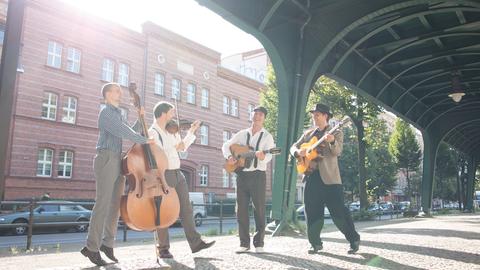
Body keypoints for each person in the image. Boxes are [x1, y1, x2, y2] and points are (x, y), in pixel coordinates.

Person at [81, 83, 154, 266]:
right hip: (106, 158)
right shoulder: (106, 113)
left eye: (119, 91)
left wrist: (140, 118)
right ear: (106, 95)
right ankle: (91, 247)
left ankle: (107, 244)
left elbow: (130, 129)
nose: (119, 93)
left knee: (114, 206)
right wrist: (144, 140)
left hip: (118, 160)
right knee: (102, 204)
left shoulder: (118, 114)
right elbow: (123, 132)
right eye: (115, 91)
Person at [290, 103, 360, 254]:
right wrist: (298, 152)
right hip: (310, 177)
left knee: (339, 212)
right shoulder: (308, 134)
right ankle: (315, 243)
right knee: (312, 212)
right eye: (313, 114)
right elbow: (293, 147)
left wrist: (332, 141)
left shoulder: (337, 132)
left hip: (330, 179)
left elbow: (338, 151)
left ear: (326, 116)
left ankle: (353, 239)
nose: (314, 117)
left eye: (317, 114)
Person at [148, 101, 215, 261]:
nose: (174, 116)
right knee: (163, 211)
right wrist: (174, 147)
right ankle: (163, 248)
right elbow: (157, 154)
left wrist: (191, 130)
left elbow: (182, 146)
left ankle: (196, 243)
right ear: (163, 113)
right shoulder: (153, 132)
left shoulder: (172, 129)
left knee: (186, 209)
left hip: (178, 174)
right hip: (164, 174)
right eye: (171, 112)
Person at [222, 106, 275, 253]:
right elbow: (226, 145)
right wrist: (230, 157)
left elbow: (271, 155)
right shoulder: (241, 134)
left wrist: (264, 156)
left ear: (264, 118)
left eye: (261, 115)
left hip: (258, 175)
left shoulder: (267, 137)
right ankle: (244, 243)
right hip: (242, 175)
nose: (257, 116)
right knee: (241, 210)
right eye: (256, 114)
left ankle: (259, 244)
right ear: (251, 115)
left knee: (259, 209)